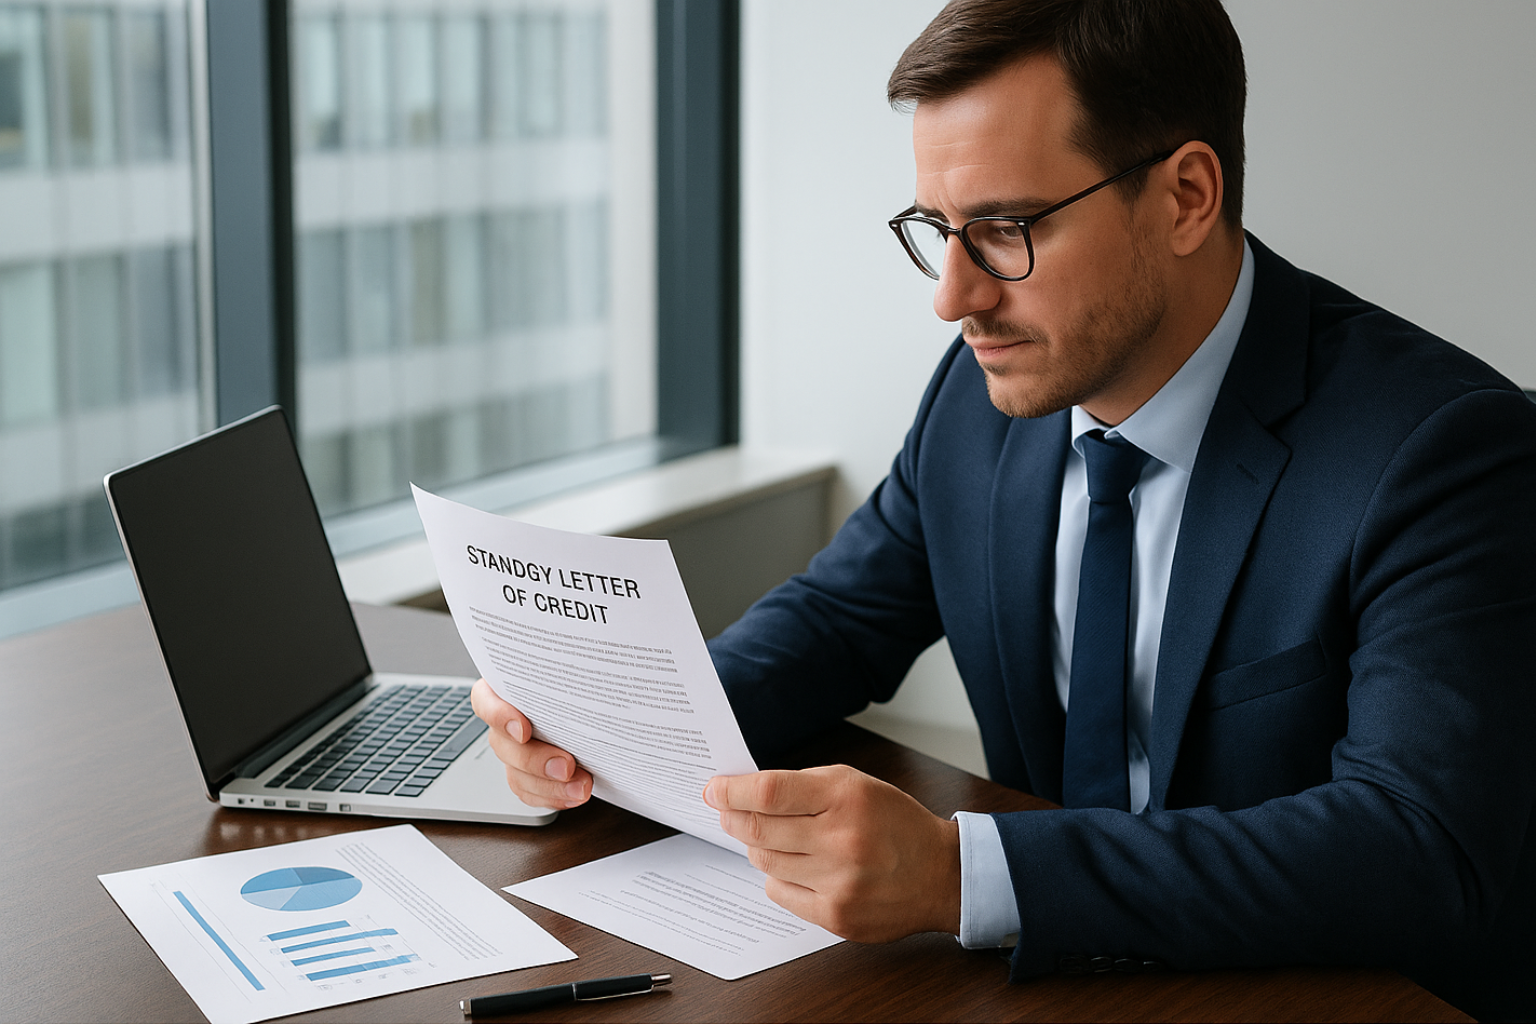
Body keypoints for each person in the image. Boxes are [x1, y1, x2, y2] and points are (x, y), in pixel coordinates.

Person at [471, 0, 1536, 1018]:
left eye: (1006, 228)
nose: (954, 295)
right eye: (937, 228)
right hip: (1049, 989)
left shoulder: (1442, 451)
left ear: (1186, 196)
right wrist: (608, 727)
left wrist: (956, 872)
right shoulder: (981, 403)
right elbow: (838, 621)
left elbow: (1418, 849)